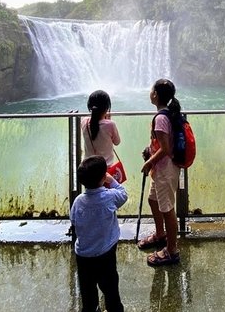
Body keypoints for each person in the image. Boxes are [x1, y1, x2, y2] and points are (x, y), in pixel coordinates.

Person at [70, 155, 128, 312]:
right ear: (103, 177)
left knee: (87, 292)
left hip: (83, 256)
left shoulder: (78, 201)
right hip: (105, 253)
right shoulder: (109, 197)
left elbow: (74, 221)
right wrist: (112, 181)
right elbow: (123, 194)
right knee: (110, 289)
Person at [137, 78, 182, 266]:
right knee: (153, 200)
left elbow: (164, 148)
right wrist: (151, 153)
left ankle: (172, 250)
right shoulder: (165, 114)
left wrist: (148, 161)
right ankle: (160, 234)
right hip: (161, 169)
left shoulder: (161, 118)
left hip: (165, 170)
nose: (150, 92)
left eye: (151, 90)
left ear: (155, 94)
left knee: (168, 209)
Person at [82, 90, 121, 166]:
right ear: (106, 108)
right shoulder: (110, 125)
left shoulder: (84, 122)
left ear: (90, 107)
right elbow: (117, 142)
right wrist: (108, 120)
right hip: (106, 168)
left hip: (88, 168)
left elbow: (95, 125)